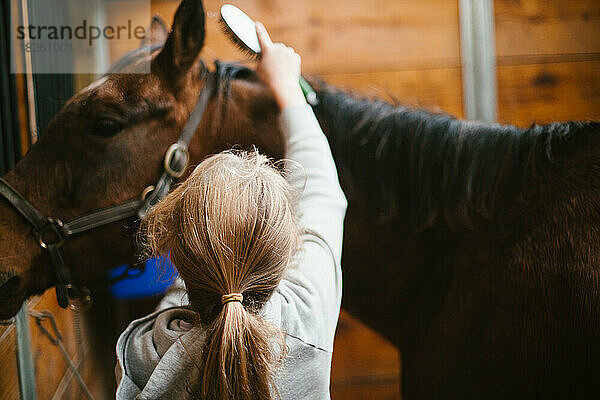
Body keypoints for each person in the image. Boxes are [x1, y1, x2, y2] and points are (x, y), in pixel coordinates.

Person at [115, 22, 347, 400]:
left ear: (177, 254)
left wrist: (201, 236)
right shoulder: (306, 317)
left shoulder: (144, 352)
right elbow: (323, 191)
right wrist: (289, 88)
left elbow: (189, 289)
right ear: (286, 250)